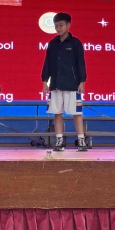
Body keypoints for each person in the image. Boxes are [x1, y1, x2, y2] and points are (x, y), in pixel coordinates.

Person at [41, 13, 88, 151]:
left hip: (72, 84)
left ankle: (81, 140)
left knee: (76, 113)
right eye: (56, 26)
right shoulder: (52, 43)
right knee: (57, 112)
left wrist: (82, 81)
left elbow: (81, 63)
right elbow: (47, 63)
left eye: (61, 25)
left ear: (68, 25)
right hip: (56, 84)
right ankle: (59, 140)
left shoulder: (75, 43)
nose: (58, 28)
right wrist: (45, 81)